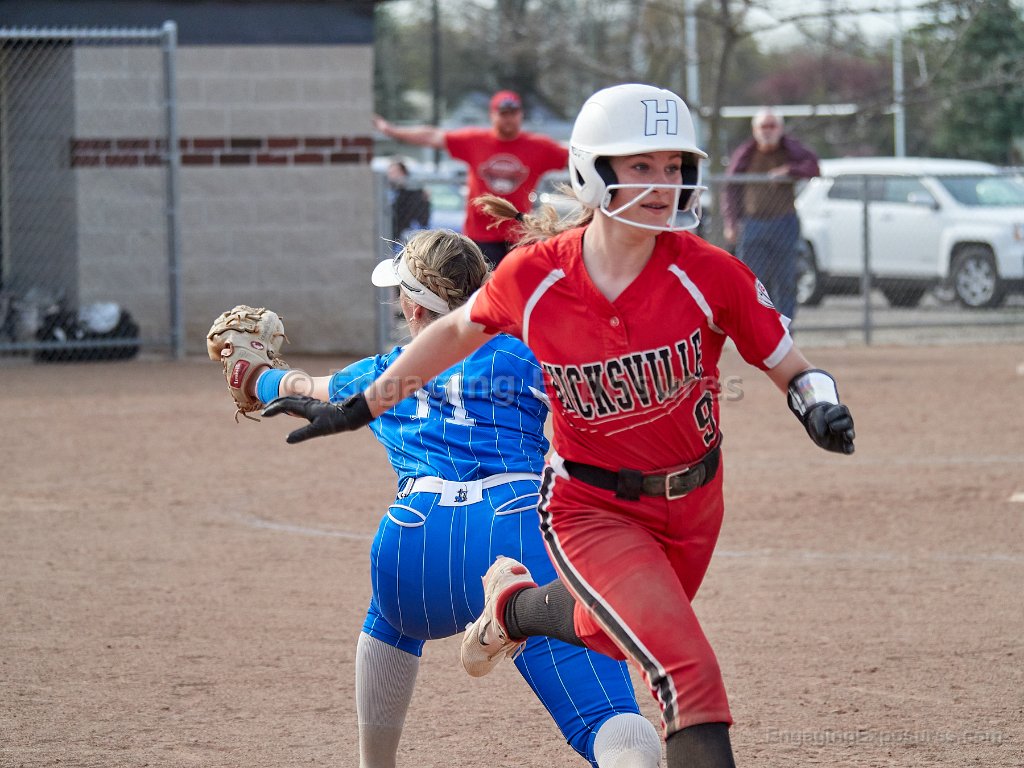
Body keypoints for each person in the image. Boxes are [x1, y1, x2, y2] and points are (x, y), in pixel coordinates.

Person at [265, 83, 856, 768]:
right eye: (641, 166)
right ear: (593, 171)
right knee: (684, 672)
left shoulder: (711, 273)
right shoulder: (538, 278)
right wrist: (363, 406)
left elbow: (792, 365)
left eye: (673, 166)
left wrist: (816, 404)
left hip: (694, 502)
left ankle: (513, 609)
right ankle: (523, 613)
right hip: (590, 507)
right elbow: (455, 331)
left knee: (604, 627)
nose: (663, 183)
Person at [250, 229, 662, 768]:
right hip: (515, 534)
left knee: (389, 622)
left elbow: (295, 387)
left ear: (413, 308)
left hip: (413, 537)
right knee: (612, 722)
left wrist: (253, 374)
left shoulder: (382, 373)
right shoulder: (522, 354)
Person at [373, 90, 568, 266]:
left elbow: (573, 158)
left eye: (513, 113)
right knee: (481, 287)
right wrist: (391, 130)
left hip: (518, 235)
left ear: (521, 115)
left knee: (519, 287)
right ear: (492, 115)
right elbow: (433, 136)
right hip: (481, 234)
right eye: (503, 113)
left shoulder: (538, 146)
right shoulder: (476, 141)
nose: (508, 119)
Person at [721, 108, 820, 322]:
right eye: (763, 126)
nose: (767, 131)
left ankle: (784, 329)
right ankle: (758, 328)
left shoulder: (790, 150)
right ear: (755, 130)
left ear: (780, 129)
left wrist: (789, 171)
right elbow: (730, 187)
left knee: (785, 280)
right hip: (753, 224)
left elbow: (813, 166)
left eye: (772, 126)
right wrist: (731, 222)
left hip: (784, 223)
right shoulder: (746, 153)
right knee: (753, 281)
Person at [385, 157, 431, 242]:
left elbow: (418, 215)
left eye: (394, 172)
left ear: (403, 173)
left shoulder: (413, 190)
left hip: (406, 231)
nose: (390, 175)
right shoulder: (388, 190)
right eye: (389, 173)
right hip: (391, 232)